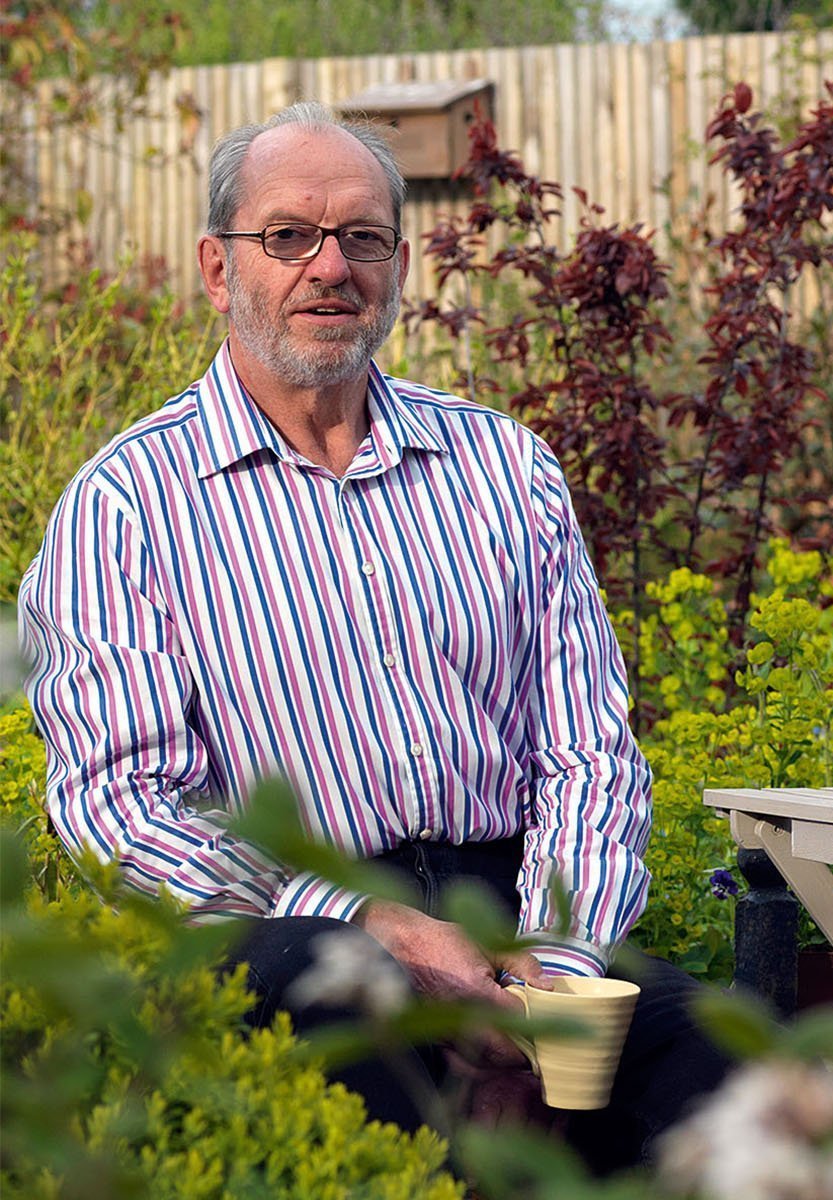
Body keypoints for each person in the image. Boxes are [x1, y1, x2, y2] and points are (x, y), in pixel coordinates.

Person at [19, 102, 727, 1173]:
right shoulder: (128, 503)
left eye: (363, 238)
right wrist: (371, 924)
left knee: (728, 1071)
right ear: (219, 269)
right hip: (300, 927)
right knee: (348, 1029)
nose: (329, 267)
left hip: (514, 920)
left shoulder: (504, 469)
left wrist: (557, 974)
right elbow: (120, 809)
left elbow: (589, 752)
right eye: (289, 236)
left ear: (398, 267)